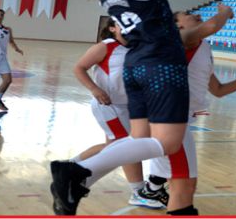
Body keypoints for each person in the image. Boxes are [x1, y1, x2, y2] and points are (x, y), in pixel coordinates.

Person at [50, 0, 196, 216]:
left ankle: (77, 174)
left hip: (135, 68)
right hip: (161, 66)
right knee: (168, 142)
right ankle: (75, 171)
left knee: (140, 137)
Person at [140, 8, 236, 210]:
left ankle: (151, 188)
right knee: (184, 186)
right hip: (169, 120)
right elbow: (212, 25)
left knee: (183, 184)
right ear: (177, 25)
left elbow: (218, 90)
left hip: (177, 121)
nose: (197, 15)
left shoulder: (203, 48)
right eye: (188, 14)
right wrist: (226, 12)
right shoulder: (179, 38)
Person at [65, 20, 165, 210]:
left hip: (130, 107)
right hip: (109, 106)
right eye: (122, 24)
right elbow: (79, 68)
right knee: (129, 146)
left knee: (114, 147)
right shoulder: (106, 47)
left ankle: (70, 167)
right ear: (112, 28)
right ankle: (138, 192)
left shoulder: (139, 48)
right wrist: (94, 89)